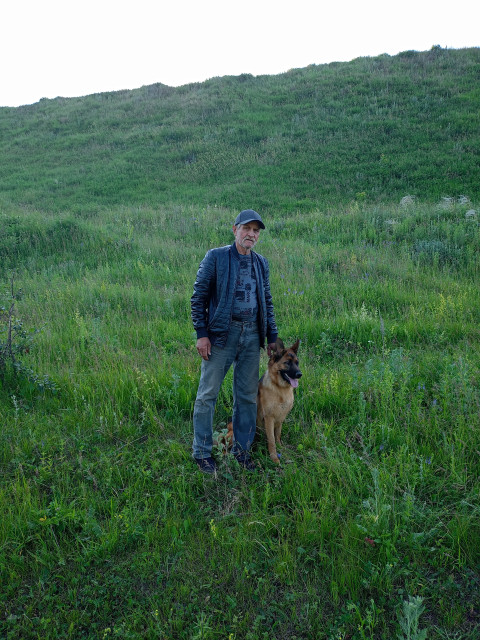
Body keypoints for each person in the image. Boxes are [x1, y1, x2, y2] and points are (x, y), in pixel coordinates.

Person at [191, 209, 278, 473]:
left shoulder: (260, 263)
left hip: (252, 335)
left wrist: (272, 335)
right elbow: (199, 297)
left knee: (248, 397)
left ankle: (242, 452)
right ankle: (202, 453)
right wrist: (202, 334)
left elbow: (267, 300)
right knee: (208, 394)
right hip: (221, 335)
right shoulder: (216, 257)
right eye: (247, 228)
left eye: (256, 231)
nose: (251, 234)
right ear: (235, 229)